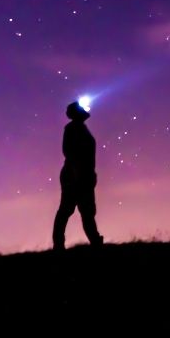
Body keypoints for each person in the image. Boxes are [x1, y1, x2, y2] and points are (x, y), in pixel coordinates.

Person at [52, 100, 104, 250]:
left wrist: (89, 174)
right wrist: (77, 173)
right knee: (67, 209)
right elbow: (68, 151)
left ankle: (95, 240)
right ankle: (59, 244)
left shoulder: (80, 128)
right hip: (74, 175)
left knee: (86, 210)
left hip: (83, 175)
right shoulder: (72, 128)